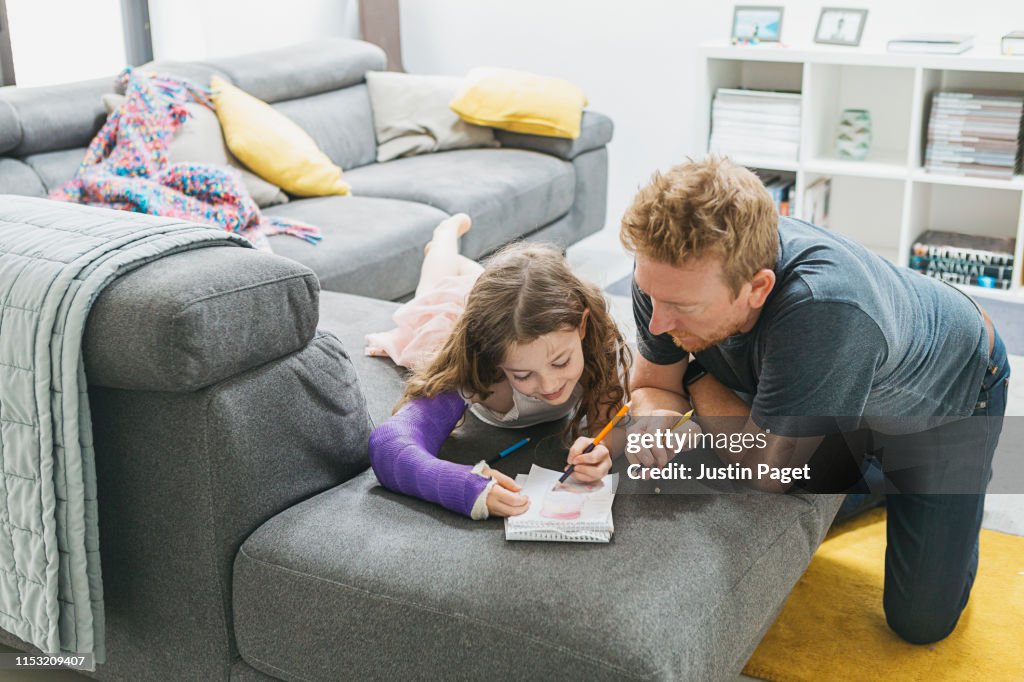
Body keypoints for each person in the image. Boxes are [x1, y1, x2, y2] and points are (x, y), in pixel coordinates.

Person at [620, 156, 1009, 645]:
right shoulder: (664, 278)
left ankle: (907, 474)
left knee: (921, 624)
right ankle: (853, 455)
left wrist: (693, 374)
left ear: (757, 288)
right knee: (762, 475)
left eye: (682, 307)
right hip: (829, 378)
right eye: (649, 295)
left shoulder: (823, 309)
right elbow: (652, 382)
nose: (657, 323)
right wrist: (655, 417)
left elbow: (771, 474)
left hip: (945, 395)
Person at [367, 215, 632, 520]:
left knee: (479, 283)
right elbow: (388, 446)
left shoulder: (597, 343)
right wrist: (466, 487)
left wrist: (602, 450)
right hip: (457, 318)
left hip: (504, 305)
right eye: (522, 375)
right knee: (436, 289)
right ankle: (444, 238)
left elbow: (609, 425)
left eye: (561, 362)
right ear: (494, 359)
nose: (548, 386)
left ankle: (468, 269)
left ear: (582, 326)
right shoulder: (476, 369)